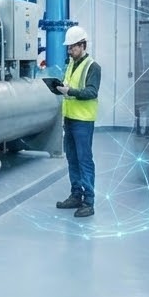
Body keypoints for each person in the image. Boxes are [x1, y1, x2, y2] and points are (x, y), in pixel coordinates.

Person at [55, 25, 101, 218]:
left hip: (83, 122)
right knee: (72, 159)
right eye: (69, 47)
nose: (69, 50)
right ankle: (76, 195)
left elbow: (91, 91)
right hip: (70, 119)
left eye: (73, 47)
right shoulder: (71, 64)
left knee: (84, 161)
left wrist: (70, 91)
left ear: (82, 45)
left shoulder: (93, 67)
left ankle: (88, 202)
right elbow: (70, 85)